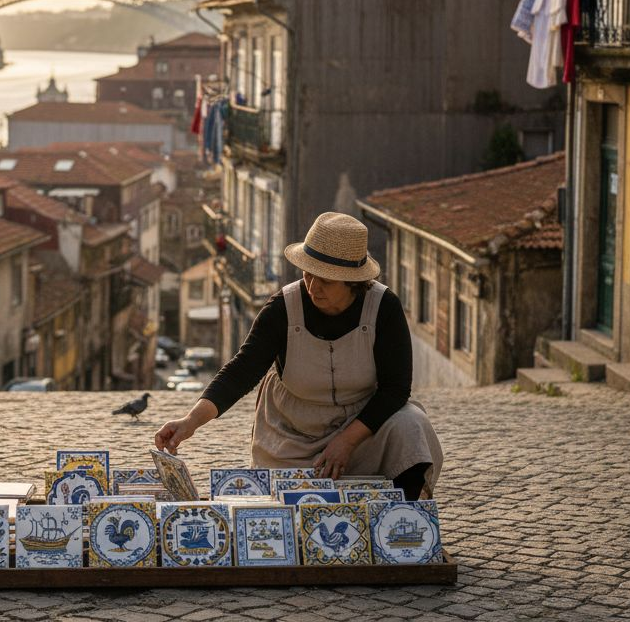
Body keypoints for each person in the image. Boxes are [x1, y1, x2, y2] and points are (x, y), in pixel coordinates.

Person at [154, 212, 444, 499]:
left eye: (326, 281)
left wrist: (348, 440)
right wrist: (190, 421)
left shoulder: (384, 308)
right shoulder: (283, 307)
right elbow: (241, 371)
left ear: (353, 282)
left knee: (411, 425)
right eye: (308, 274)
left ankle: (402, 524)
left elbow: (395, 389)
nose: (313, 287)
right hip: (291, 435)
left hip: (362, 428)